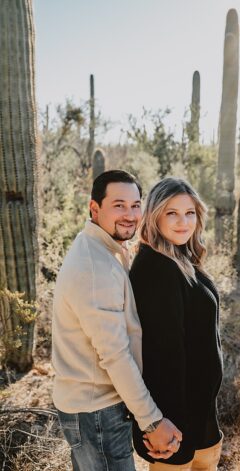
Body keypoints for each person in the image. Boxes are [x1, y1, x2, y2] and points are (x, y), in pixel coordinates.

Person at [53, 170, 182, 470]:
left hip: (91, 408)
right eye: (119, 205)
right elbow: (115, 355)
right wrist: (152, 421)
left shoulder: (101, 248)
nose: (130, 214)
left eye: (136, 205)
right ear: (94, 208)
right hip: (97, 412)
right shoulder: (96, 266)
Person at [130, 178, 224, 470]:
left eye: (190, 213)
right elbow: (162, 358)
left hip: (203, 417)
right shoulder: (155, 268)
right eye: (172, 213)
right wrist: (159, 425)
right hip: (175, 427)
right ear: (155, 216)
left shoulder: (181, 258)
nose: (183, 222)